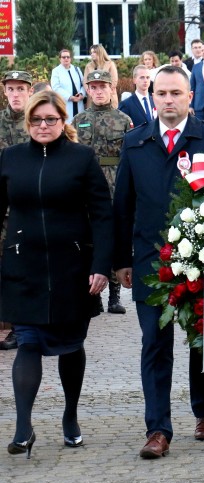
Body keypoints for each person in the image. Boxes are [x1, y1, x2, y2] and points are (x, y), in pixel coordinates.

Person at [113, 66, 204, 459]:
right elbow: (122, 206)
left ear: (190, 97)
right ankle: (158, 429)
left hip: (200, 260)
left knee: (200, 339)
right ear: (151, 97)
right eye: (162, 93)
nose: (169, 99)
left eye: (177, 92)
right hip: (148, 261)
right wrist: (120, 259)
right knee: (154, 344)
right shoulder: (135, 142)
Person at [0, 90, 113, 457]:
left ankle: (70, 415)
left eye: (50, 119)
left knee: (70, 344)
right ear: (27, 122)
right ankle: (22, 427)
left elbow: (102, 213)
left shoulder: (81, 158)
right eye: (36, 120)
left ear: (63, 121)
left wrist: (101, 265)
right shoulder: (11, 159)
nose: (43, 126)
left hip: (72, 268)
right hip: (24, 266)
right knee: (28, 340)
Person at [73, 70, 132, 314]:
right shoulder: (78, 121)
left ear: (111, 89)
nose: (98, 91)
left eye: (103, 87)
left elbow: (129, 158)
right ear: (88, 90)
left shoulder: (123, 120)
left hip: (115, 183)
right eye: (94, 87)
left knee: (116, 235)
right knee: (90, 237)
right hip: (87, 186)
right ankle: (94, 294)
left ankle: (115, 295)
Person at [0, 70, 33, 351]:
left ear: (30, 91)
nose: (16, 94)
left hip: (27, 207)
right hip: (3, 205)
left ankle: (18, 326)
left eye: (21, 89)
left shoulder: (37, 123)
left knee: (22, 267)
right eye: (11, 89)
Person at [50, 49, 86, 123]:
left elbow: (84, 84)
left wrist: (82, 94)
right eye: (63, 57)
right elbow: (56, 87)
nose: (66, 59)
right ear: (60, 59)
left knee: (80, 125)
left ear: (70, 58)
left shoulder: (77, 69)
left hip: (79, 102)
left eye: (68, 57)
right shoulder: (56, 71)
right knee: (67, 125)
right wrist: (69, 97)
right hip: (66, 103)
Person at [84, 44, 119, 108]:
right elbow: (85, 82)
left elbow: (114, 81)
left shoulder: (110, 64)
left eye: (94, 52)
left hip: (109, 98)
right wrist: (91, 93)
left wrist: (105, 92)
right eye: (91, 52)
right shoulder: (88, 66)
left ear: (100, 52)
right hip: (92, 98)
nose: (92, 54)